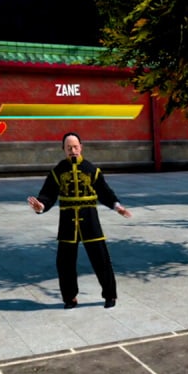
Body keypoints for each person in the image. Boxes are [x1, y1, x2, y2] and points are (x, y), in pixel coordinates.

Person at [27, 132, 132, 309]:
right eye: (69, 148)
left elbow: (104, 192)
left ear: (81, 147)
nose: (73, 151)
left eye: (75, 147)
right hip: (68, 223)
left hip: (90, 220)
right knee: (64, 263)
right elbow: (48, 194)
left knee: (101, 259)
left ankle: (110, 295)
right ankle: (70, 298)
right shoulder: (57, 171)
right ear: (63, 149)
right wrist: (41, 206)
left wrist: (117, 206)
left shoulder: (91, 170)